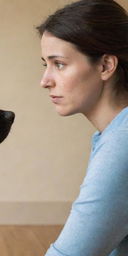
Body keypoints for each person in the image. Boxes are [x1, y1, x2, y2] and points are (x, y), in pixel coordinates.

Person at [36, 0, 128, 255]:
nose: (45, 81)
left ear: (105, 66)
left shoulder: (122, 143)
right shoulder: (115, 134)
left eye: (60, 64)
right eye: (46, 64)